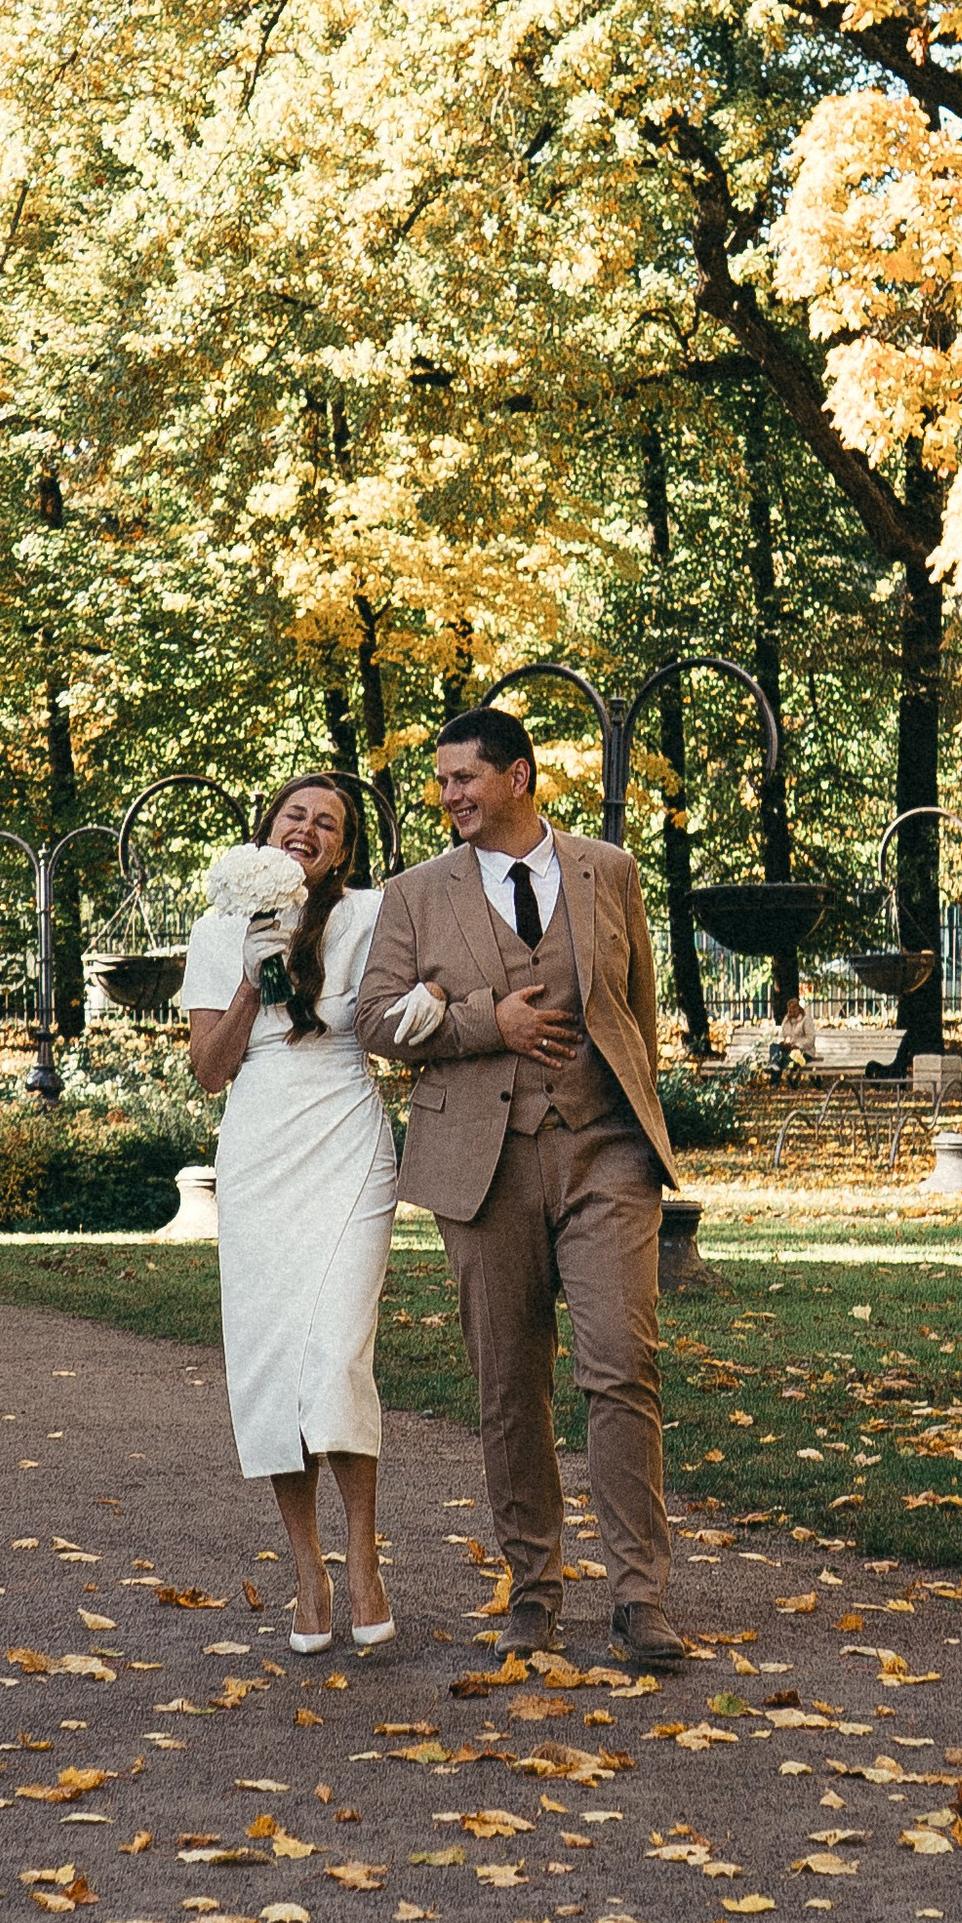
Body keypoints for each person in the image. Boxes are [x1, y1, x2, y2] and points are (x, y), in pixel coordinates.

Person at [353, 707, 687, 1673]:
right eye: (442, 781)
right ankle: (533, 1592)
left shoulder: (608, 870)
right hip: (482, 1164)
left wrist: (625, 1113)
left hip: (604, 1149)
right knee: (508, 1385)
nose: (449, 796)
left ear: (519, 777)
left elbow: (637, 1011)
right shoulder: (414, 894)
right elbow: (374, 1020)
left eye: (464, 778)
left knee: (622, 1366)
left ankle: (639, 1598)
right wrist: (482, 1020)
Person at [182, 771, 397, 1653]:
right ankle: (308, 1570)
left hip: (347, 1136)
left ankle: (365, 1557)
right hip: (261, 1145)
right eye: (294, 815)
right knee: (273, 1362)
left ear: (344, 850)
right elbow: (209, 1070)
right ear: (267, 830)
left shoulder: (370, 915)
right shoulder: (216, 926)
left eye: (327, 823)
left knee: (337, 1353)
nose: (307, 829)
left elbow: (395, 1016)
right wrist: (250, 979)